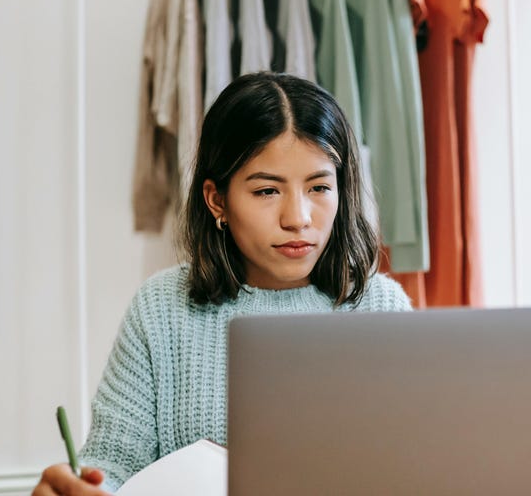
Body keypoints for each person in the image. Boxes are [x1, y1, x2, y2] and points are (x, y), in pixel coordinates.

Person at [32, 72, 413, 495]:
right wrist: (79, 487)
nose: (299, 218)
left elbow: (418, 465)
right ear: (217, 200)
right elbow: (113, 465)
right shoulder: (161, 309)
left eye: (320, 187)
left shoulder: (383, 307)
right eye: (268, 191)